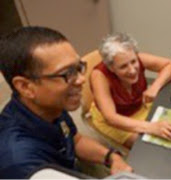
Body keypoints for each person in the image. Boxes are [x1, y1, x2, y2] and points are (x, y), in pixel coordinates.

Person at [0, 26, 132, 179]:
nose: (81, 79)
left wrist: (112, 157)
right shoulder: (20, 163)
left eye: (78, 68)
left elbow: (75, 141)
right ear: (25, 87)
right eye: (67, 73)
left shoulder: (50, 105)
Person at [89, 33, 171, 149]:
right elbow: (111, 117)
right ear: (111, 67)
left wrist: (155, 87)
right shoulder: (99, 76)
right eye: (123, 67)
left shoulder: (136, 58)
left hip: (139, 107)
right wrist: (150, 127)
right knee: (149, 147)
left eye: (133, 62)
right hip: (116, 119)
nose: (132, 70)